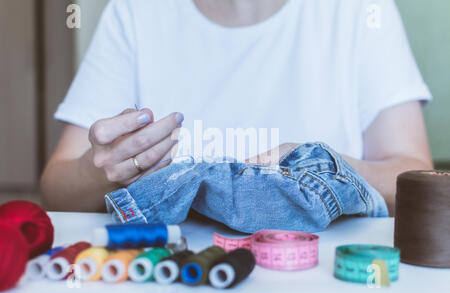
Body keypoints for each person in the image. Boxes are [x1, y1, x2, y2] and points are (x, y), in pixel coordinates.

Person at [40, 0, 433, 214]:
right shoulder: (134, 12)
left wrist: (321, 167)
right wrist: (103, 171)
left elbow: (415, 180)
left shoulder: (359, 11)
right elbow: (56, 191)